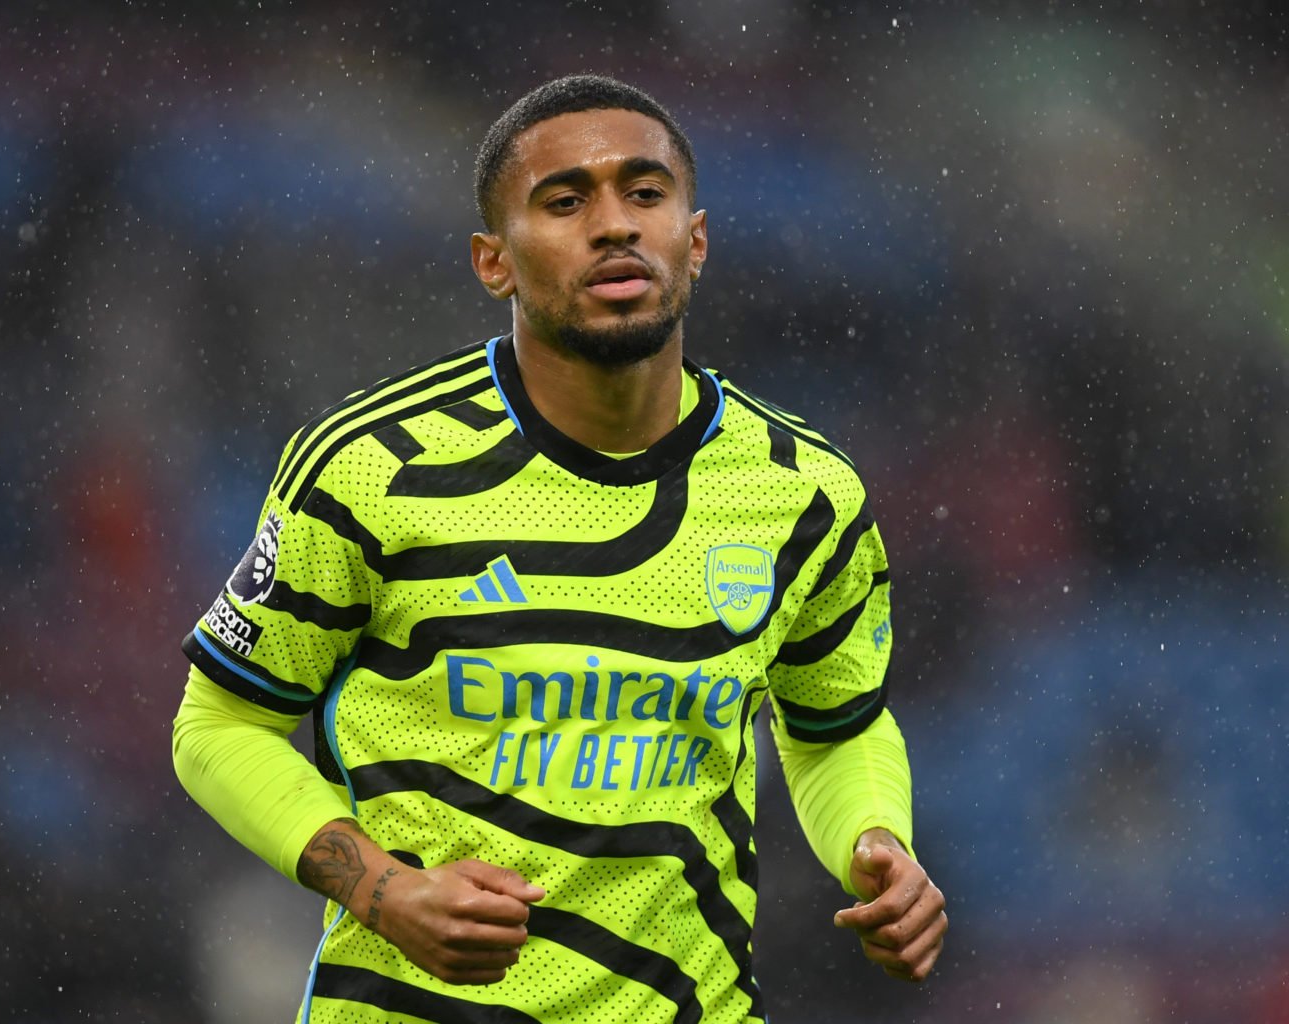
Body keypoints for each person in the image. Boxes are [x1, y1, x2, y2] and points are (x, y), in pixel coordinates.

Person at [172, 73, 947, 1023]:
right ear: (492, 261)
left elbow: (837, 728)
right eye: (566, 200)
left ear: (694, 242)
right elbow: (218, 729)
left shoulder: (803, 494)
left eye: (646, 193)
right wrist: (386, 891)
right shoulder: (373, 469)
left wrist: (879, 841)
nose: (615, 224)